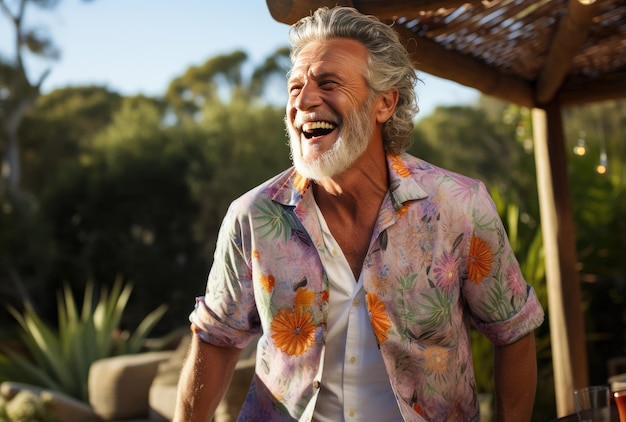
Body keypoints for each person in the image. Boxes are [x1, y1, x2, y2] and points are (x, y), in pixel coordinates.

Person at [174, 6, 544, 422]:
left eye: (328, 83)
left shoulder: (459, 204)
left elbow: (512, 330)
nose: (304, 101)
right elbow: (216, 340)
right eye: (295, 87)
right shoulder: (252, 217)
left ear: (384, 103)